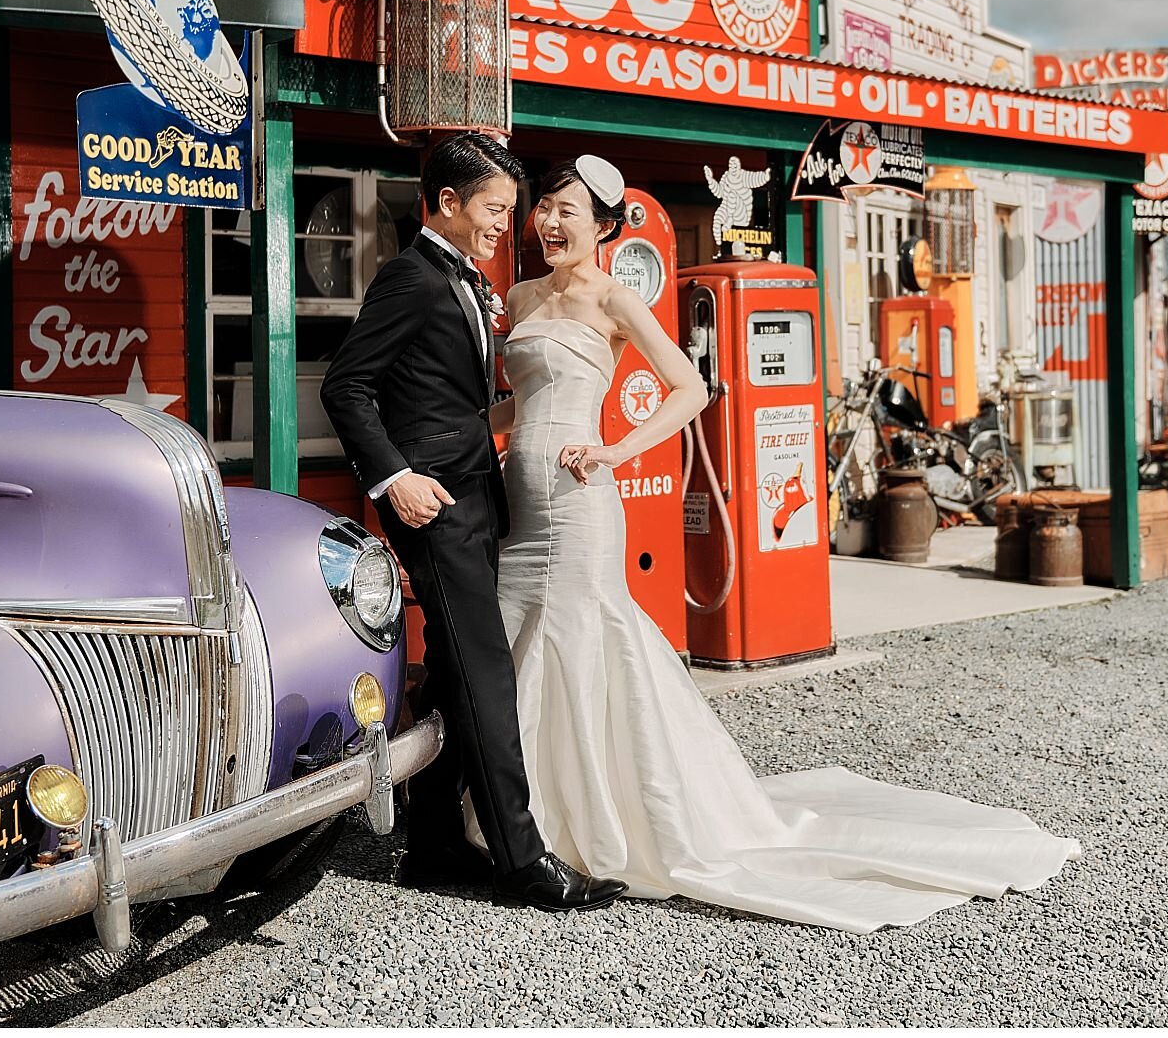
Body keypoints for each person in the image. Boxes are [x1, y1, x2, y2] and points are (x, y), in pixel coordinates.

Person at [481, 154, 1082, 932]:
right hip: (519, 512)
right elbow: (516, 409)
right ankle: (515, 822)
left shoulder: (616, 297)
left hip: (580, 505)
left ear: (602, 226)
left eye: (568, 211)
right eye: (544, 208)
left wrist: (615, 452)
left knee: (578, 648)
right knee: (513, 645)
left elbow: (693, 388)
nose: (550, 223)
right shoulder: (523, 296)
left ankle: (584, 827)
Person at [320, 132, 627, 914]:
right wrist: (395, 478)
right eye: (494, 210)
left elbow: (454, 402)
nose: (505, 225)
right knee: (489, 676)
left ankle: (433, 845)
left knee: (459, 676)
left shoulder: (461, 278)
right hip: (439, 508)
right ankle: (525, 861)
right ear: (448, 203)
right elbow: (347, 385)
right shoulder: (410, 277)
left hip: (480, 501)